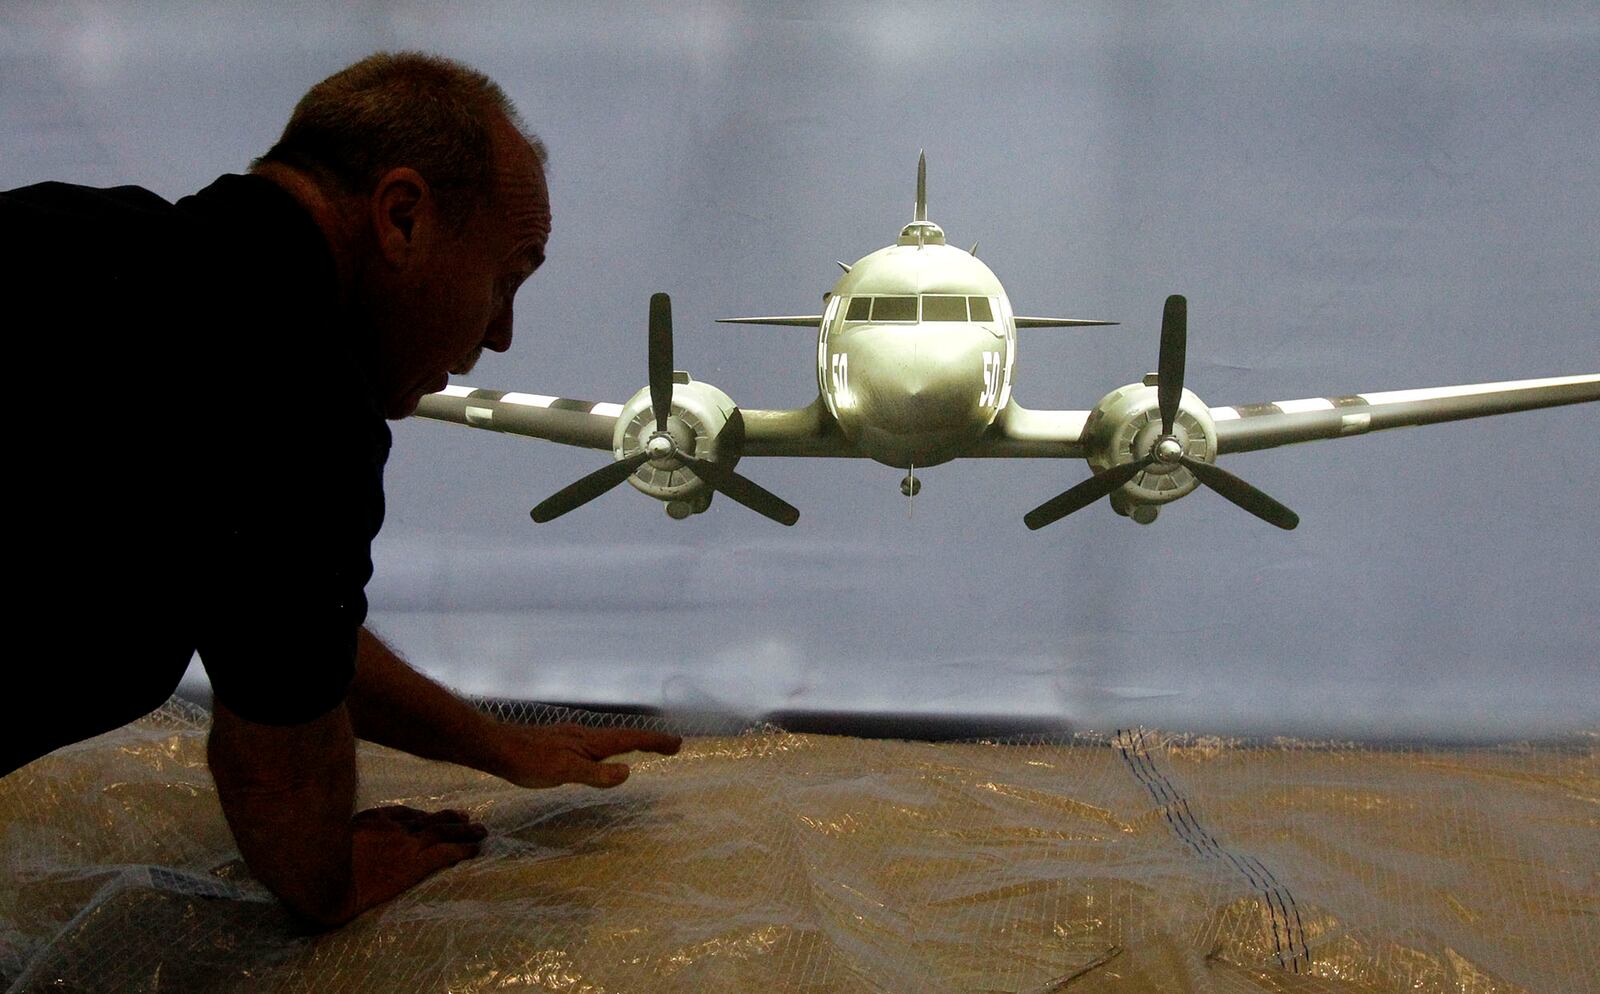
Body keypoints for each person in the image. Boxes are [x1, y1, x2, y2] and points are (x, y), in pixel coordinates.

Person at [0, 52, 680, 927]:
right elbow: (276, 762)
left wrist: (495, 744)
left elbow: (283, 622)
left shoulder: (76, 232)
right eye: (506, 278)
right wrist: (333, 881)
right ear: (401, 217)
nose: (501, 336)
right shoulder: (293, 393)